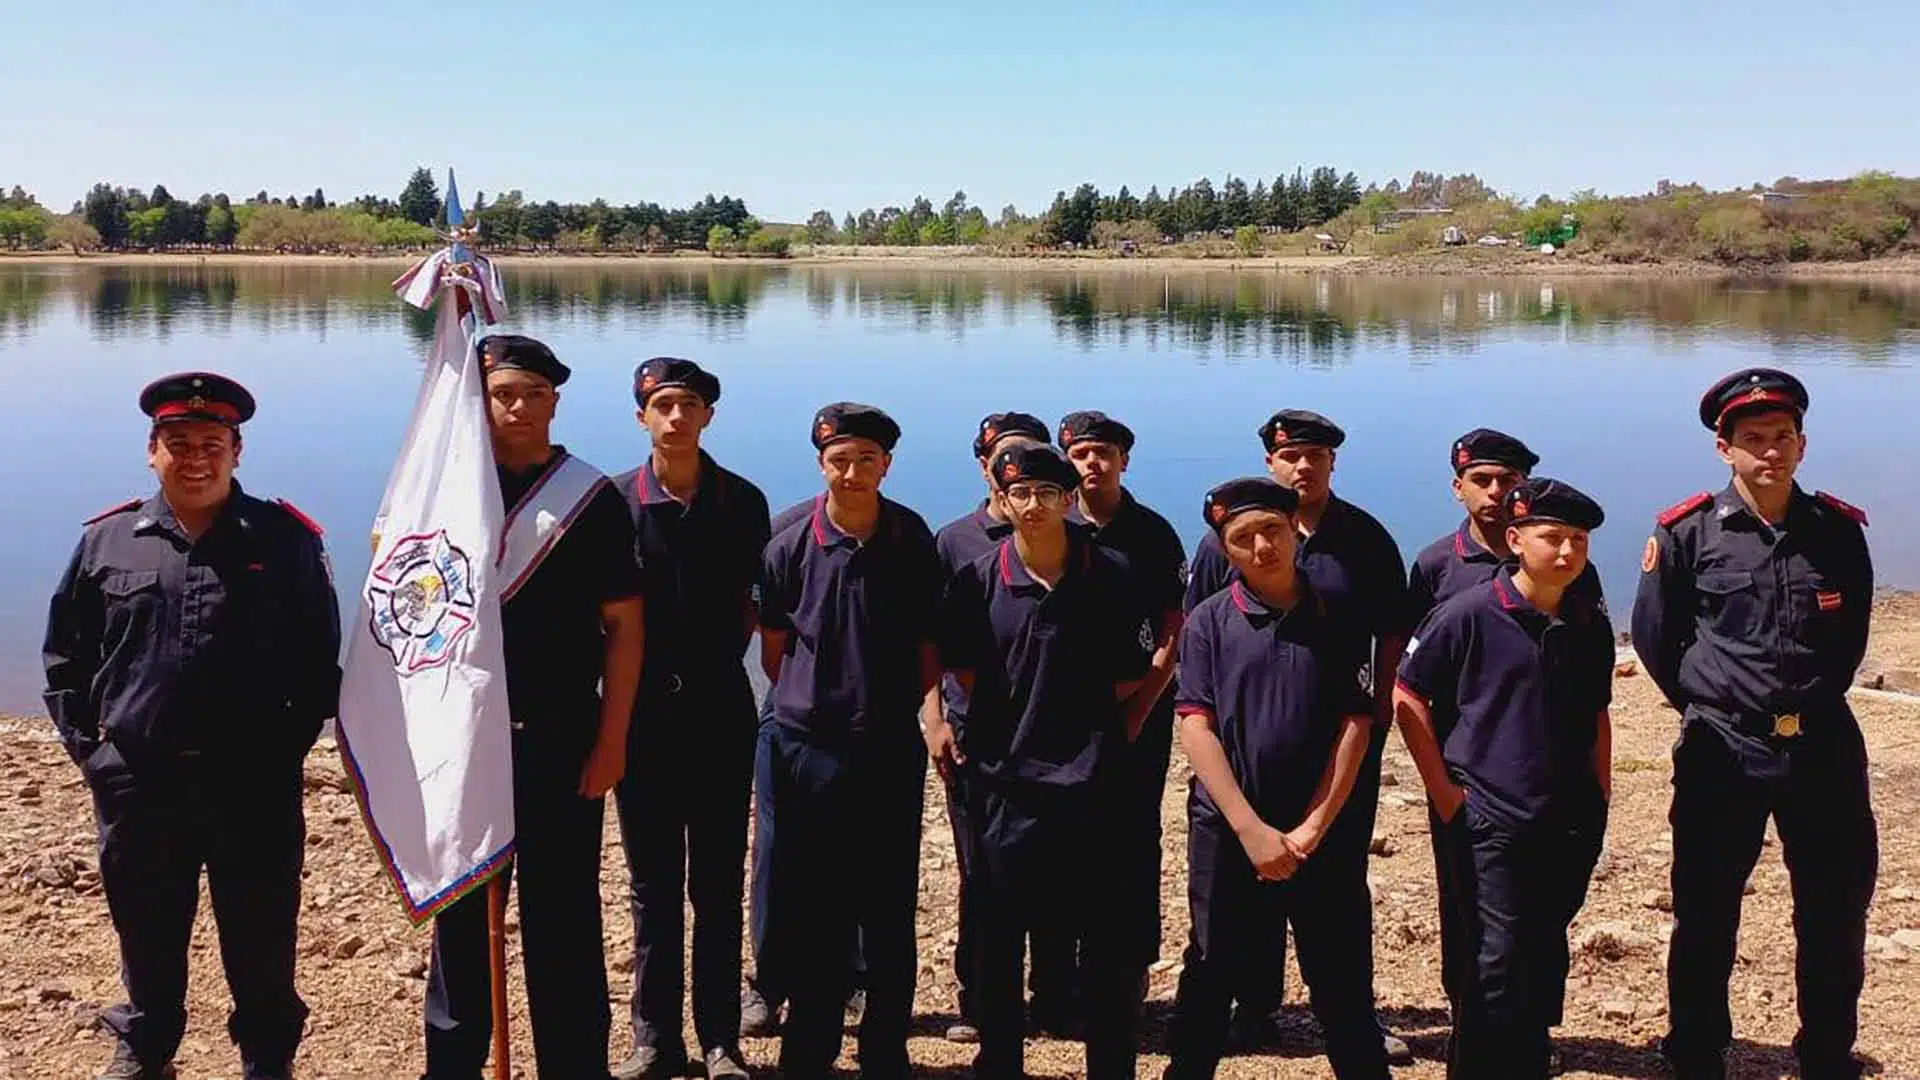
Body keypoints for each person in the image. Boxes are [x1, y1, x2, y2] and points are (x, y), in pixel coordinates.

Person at [43, 373, 341, 1080]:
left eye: (213, 443)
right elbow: (66, 660)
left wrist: (277, 751)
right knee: (146, 931)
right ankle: (146, 1048)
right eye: (179, 444)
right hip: (140, 780)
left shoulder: (284, 539)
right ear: (153, 452)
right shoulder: (107, 540)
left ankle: (267, 1056)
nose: (196, 457)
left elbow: (316, 660)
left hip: (253, 786)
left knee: (262, 933)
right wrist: (95, 753)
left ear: (238, 452)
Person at [1632, 368, 1876, 1080]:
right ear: (1724, 448)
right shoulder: (1687, 533)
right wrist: (1715, 705)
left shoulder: (1837, 530)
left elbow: (1851, 637)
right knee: (1706, 913)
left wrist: (1808, 701)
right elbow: (1656, 639)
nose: (1771, 452)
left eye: (1783, 437)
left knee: (1834, 914)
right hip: (1725, 749)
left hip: (1823, 747)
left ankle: (1827, 1053)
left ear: (1802, 443)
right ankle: (1698, 1051)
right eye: (1754, 440)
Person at [421, 334, 645, 1080]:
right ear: (480, 400)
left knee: (564, 922)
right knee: (458, 920)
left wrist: (612, 741)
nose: (519, 407)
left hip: (559, 736)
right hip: (463, 740)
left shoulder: (590, 497)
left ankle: (574, 1066)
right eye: (503, 394)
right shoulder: (445, 491)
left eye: (534, 395)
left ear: (556, 401)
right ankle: (453, 1064)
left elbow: (624, 627)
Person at [1183, 409, 1409, 1061]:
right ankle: (1254, 1010)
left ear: (1332, 462)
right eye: (1290, 456)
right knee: (1238, 912)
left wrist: (1379, 713)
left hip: (1339, 745)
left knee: (1336, 905)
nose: (1303, 466)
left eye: (1315, 455)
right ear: (1271, 464)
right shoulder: (1216, 551)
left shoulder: (1363, 539)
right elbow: (1202, 641)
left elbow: (1388, 633)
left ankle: (1351, 1017)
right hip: (1243, 760)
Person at [933, 442, 1154, 1080]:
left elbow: (1128, 674)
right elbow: (966, 674)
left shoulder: (1111, 575)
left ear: (1068, 501)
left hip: (1095, 784)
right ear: (1002, 500)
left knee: (1105, 944)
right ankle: (999, 1061)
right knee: (1000, 940)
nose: (1034, 506)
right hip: (1006, 786)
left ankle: (1110, 1066)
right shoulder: (977, 581)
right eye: (1020, 494)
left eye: (1047, 494)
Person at [1394, 477, 1614, 1080]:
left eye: (1578, 540)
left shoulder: (1586, 622)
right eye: (1553, 538)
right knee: (1494, 960)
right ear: (1516, 539)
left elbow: (1597, 713)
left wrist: (1601, 794)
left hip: (1567, 815)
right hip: (1488, 818)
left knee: (1543, 949)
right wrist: (1445, 794)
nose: (1567, 552)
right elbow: (1408, 699)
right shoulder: (1467, 614)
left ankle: (1528, 1061)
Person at [756, 403, 942, 1080]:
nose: (854, 471)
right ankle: (810, 1049)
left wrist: (924, 714)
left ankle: (885, 1048)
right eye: (841, 459)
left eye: (868, 459)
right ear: (820, 463)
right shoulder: (786, 542)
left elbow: (928, 642)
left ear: (886, 465)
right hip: (808, 746)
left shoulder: (912, 538)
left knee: (888, 902)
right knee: (813, 903)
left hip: (888, 743)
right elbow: (775, 650)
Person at [611, 359, 769, 1080]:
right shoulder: (612, 505)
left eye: (691, 405)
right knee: (651, 886)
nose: (677, 417)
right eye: (663, 405)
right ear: (642, 415)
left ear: (708, 416)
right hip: (641, 716)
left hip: (718, 710)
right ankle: (653, 1038)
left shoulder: (742, 502)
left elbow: (749, 604)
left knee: (715, 884)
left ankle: (718, 1038)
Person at [922, 410, 1073, 1044]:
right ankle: (981, 999)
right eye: (1000, 459)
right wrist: (933, 718)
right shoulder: (954, 542)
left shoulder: (1072, 542)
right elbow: (930, 644)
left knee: (1061, 875)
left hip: (1060, 741)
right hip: (976, 737)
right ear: (985, 468)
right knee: (980, 874)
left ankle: (1057, 997)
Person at [1058, 410, 1187, 1001]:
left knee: (1133, 834)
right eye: (1082, 453)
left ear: (1123, 461)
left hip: (1141, 708)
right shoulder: (1049, 525)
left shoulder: (1153, 534)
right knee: (1062, 837)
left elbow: (1172, 631)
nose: (1092, 463)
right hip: (1059, 716)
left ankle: (1128, 964)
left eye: (1104, 453)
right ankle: (1059, 973)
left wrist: (1141, 706)